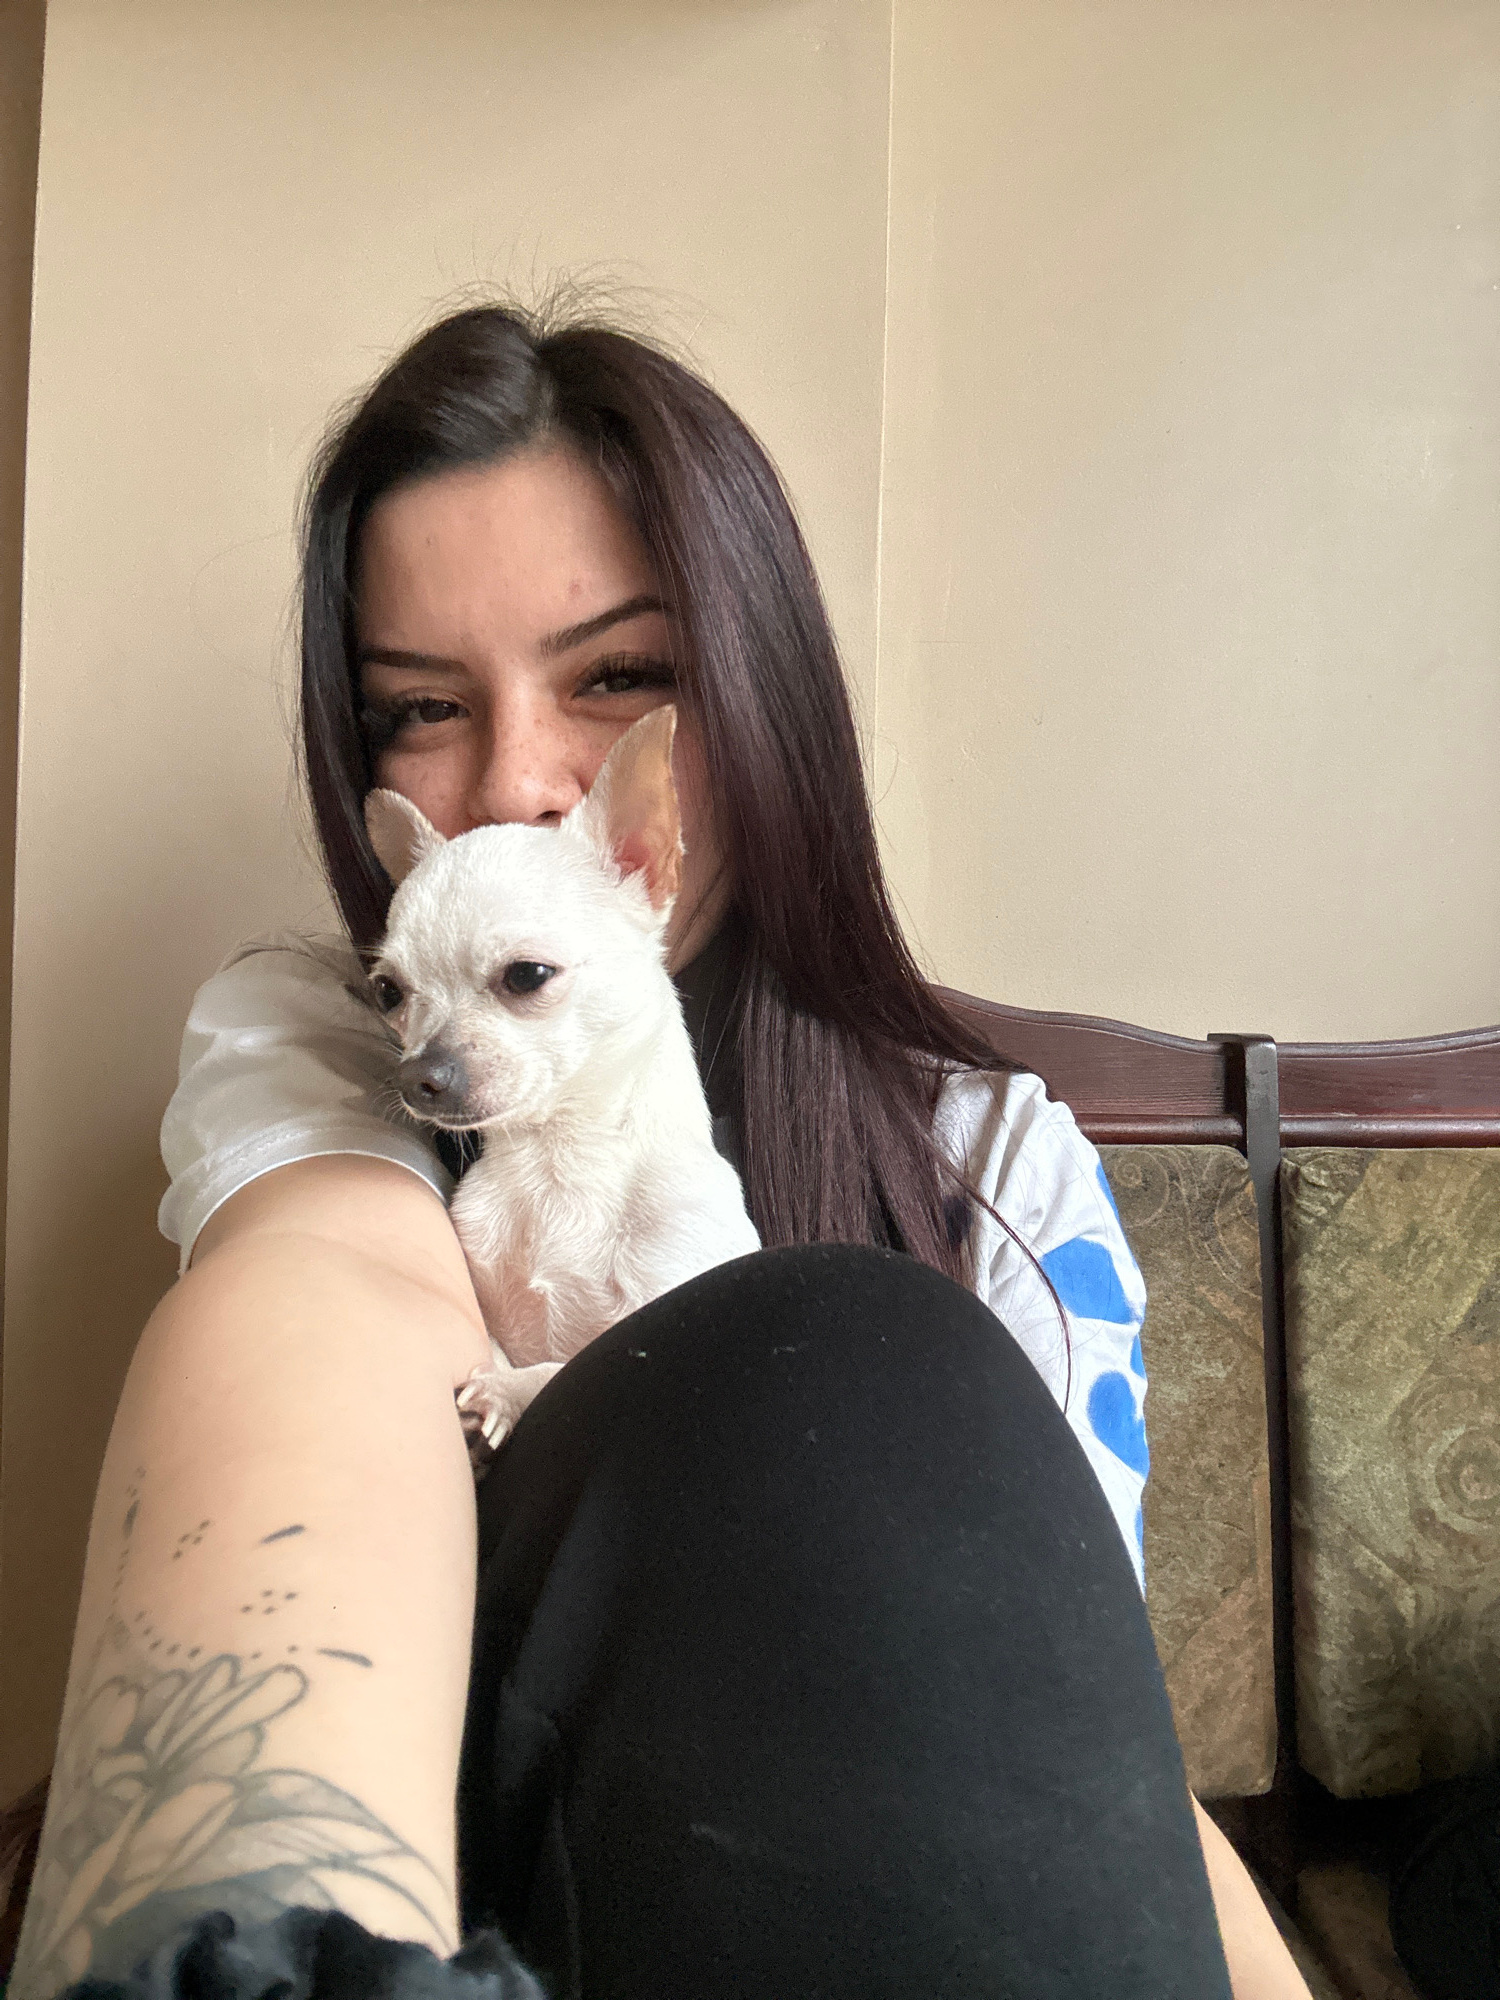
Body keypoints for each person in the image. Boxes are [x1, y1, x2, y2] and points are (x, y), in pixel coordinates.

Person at [8, 304, 1313, 2000]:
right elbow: (314, 1333)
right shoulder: (337, 1048)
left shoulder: (994, 1164)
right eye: (422, 705)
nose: (519, 785)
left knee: (868, 1353)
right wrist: (253, 1926)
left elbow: (1065, 1733)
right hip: (495, 1872)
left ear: (747, 704)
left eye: (619, 676)